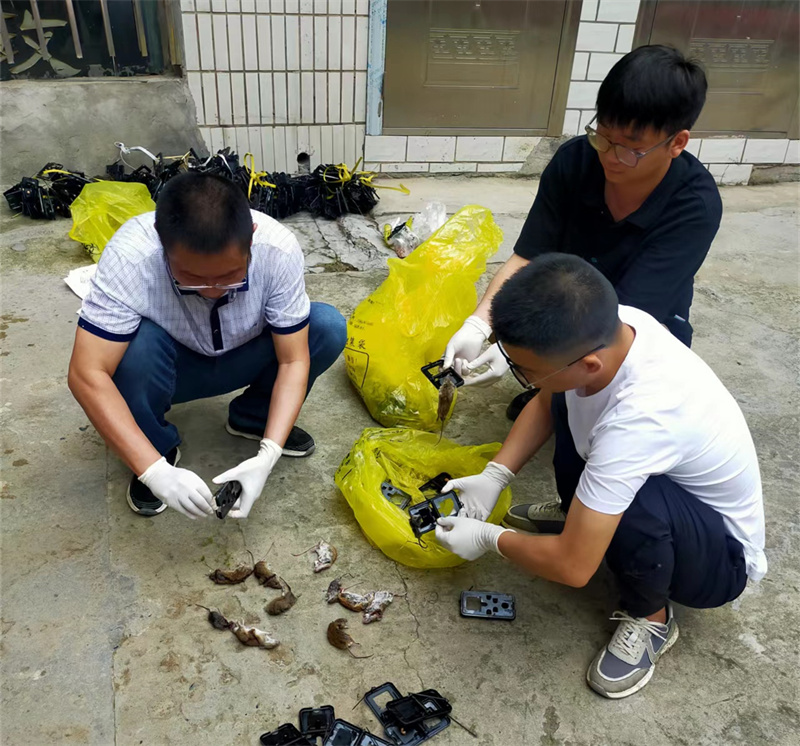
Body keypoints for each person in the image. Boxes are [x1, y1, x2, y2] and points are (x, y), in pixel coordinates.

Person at [435, 254, 766, 699]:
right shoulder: (613, 325)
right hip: (659, 484)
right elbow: (547, 397)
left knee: (630, 493)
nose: (520, 378)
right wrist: (496, 474)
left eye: (524, 370)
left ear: (589, 363)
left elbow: (573, 568)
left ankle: (651, 618)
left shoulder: (641, 422)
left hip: (716, 560)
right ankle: (583, 516)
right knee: (564, 393)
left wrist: (489, 538)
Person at [443, 44, 720, 403]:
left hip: (638, 320)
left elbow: (625, 322)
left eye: (630, 147)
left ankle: (556, 385)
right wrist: (479, 324)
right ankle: (552, 385)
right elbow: (528, 257)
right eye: (602, 135)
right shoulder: (575, 161)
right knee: (528, 337)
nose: (610, 155)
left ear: (676, 143)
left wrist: (530, 358)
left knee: (618, 390)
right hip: (568, 301)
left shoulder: (693, 206)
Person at [68, 172, 346, 519]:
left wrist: (269, 453)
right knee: (131, 349)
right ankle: (156, 448)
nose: (213, 289)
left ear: (251, 238)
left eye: (229, 275)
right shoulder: (131, 258)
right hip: (169, 368)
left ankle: (254, 418)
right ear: (162, 243)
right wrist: (153, 471)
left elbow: (293, 361)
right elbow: (87, 373)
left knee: (325, 327)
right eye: (193, 278)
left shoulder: (277, 249)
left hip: (244, 354)